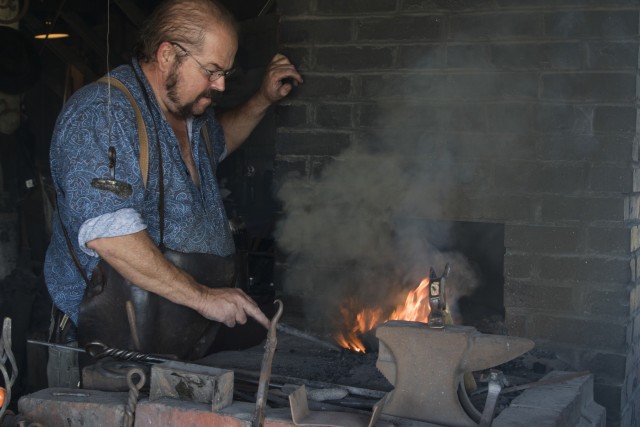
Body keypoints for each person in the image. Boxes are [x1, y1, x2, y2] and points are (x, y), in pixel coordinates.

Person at [43, 0, 303, 360]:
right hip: (110, 350)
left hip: (180, 335)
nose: (221, 85)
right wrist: (203, 298)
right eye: (212, 70)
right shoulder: (103, 114)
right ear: (167, 55)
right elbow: (111, 235)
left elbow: (220, 141)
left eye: (225, 72)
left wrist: (262, 99)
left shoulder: (189, 113)